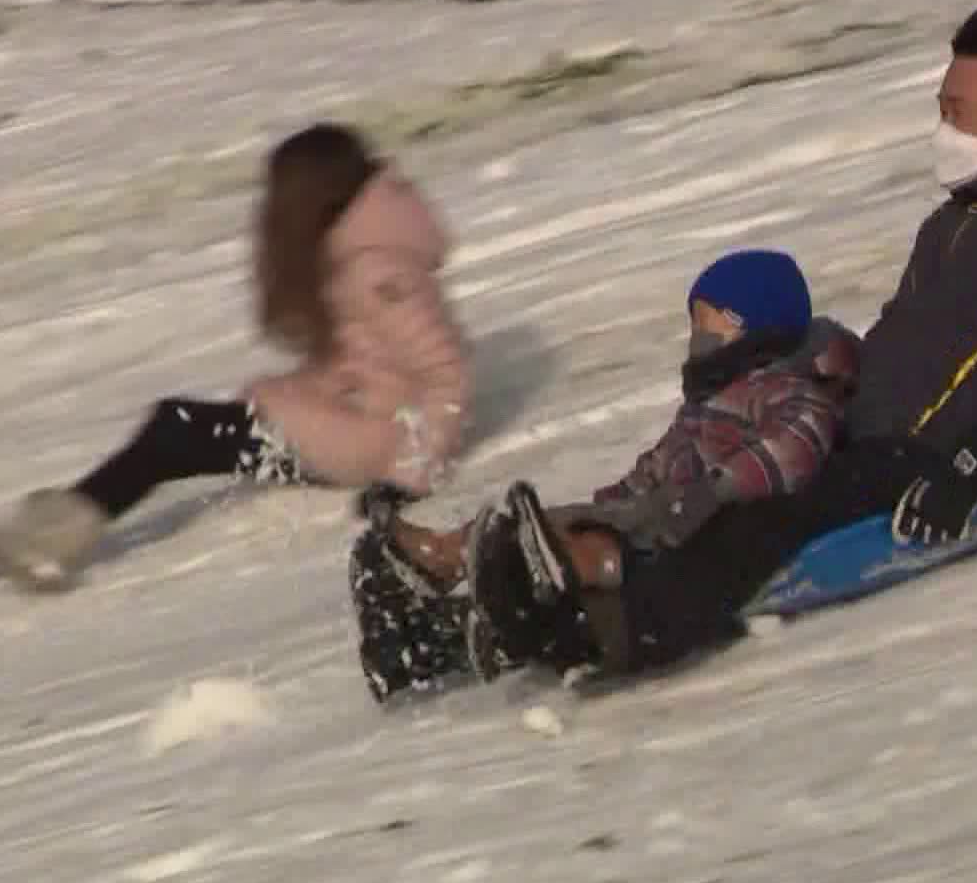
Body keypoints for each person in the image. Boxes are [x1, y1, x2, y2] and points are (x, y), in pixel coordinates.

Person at [466, 9, 977, 682]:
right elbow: (911, 338)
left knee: (760, 518)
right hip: (871, 427)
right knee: (712, 454)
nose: (944, 130)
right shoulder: (963, 216)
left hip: (942, 455)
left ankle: (621, 621)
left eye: (958, 113)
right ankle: (517, 583)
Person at [0, 122, 472, 592]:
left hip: (373, 445)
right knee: (178, 431)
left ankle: (53, 538)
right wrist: (307, 392)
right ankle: (56, 525)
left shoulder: (379, 274)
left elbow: (447, 376)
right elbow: (364, 367)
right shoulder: (358, 255)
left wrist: (405, 479)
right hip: (355, 426)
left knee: (176, 430)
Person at [350, 250, 862, 701]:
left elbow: (791, 449)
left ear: (758, 327)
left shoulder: (789, 391)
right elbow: (661, 461)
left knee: (601, 537)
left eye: (713, 328)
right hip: (665, 505)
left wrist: (715, 489)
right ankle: (446, 559)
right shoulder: (708, 403)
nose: (700, 342)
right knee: (583, 517)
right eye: (697, 328)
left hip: (702, 517)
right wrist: (622, 493)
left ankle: (552, 569)